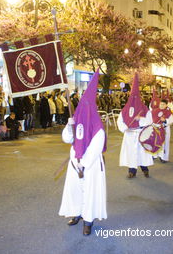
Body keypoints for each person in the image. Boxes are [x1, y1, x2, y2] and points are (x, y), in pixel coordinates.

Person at [59, 70, 107, 236]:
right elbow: (67, 139)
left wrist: (83, 164)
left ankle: (88, 220)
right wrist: (68, 125)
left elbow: (95, 147)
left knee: (90, 192)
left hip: (90, 165)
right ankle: (77, 213)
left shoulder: (97, 127)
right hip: (75, 163)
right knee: (75, 189)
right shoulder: (76, 120)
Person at [117, 73, 154, 178]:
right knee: (131, 153)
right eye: (132, 97)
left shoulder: (144, 109)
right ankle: (132, 171)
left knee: (142, 153)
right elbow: (120, 121)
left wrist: (140, 119)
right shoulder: (125, 110)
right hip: (129, 134)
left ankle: (145, 169)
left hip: (140, 133)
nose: (134, 99)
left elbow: (150, 120)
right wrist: (125, 128)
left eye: (136, 97)